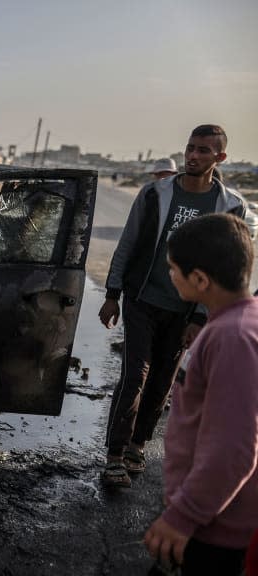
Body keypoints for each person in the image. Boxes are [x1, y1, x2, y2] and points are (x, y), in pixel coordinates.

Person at [98, 124, 250, 488]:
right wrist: (112, 293)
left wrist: (201, 316)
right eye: (190, 148)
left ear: (220, 158)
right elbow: (129, 243)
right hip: (142, 298)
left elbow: (223, 269)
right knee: (134, 375)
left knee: (163, 381)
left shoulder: (231, 206)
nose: (193, 156)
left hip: (184, 309)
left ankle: (138, 445)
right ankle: (115, 455)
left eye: (203, 151)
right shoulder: (154, 194)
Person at [143, 213, 258, 575]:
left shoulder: (231, 337)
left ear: (199, 279)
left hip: (215, 529)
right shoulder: (238, 321)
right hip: (213, 514)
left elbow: (233, 449)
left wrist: (183, 516)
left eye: (173, 269)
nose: (170, 276)